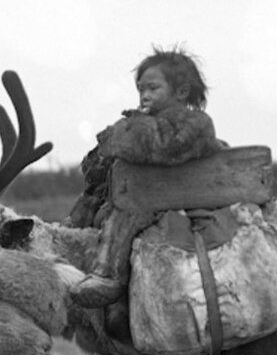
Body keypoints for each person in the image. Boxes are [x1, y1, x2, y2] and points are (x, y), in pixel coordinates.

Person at [70, 47, 224, 310]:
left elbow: (164, 146)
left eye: (153, 88)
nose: (145, 95)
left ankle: (109, 276)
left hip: (170, 196)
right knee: (94, 205)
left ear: (181, 92)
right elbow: (104, 163)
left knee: (123, 219)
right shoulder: (145, 123)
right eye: (141, 89)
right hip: (145, 192)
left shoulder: (194, 123)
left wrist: (127, 132)